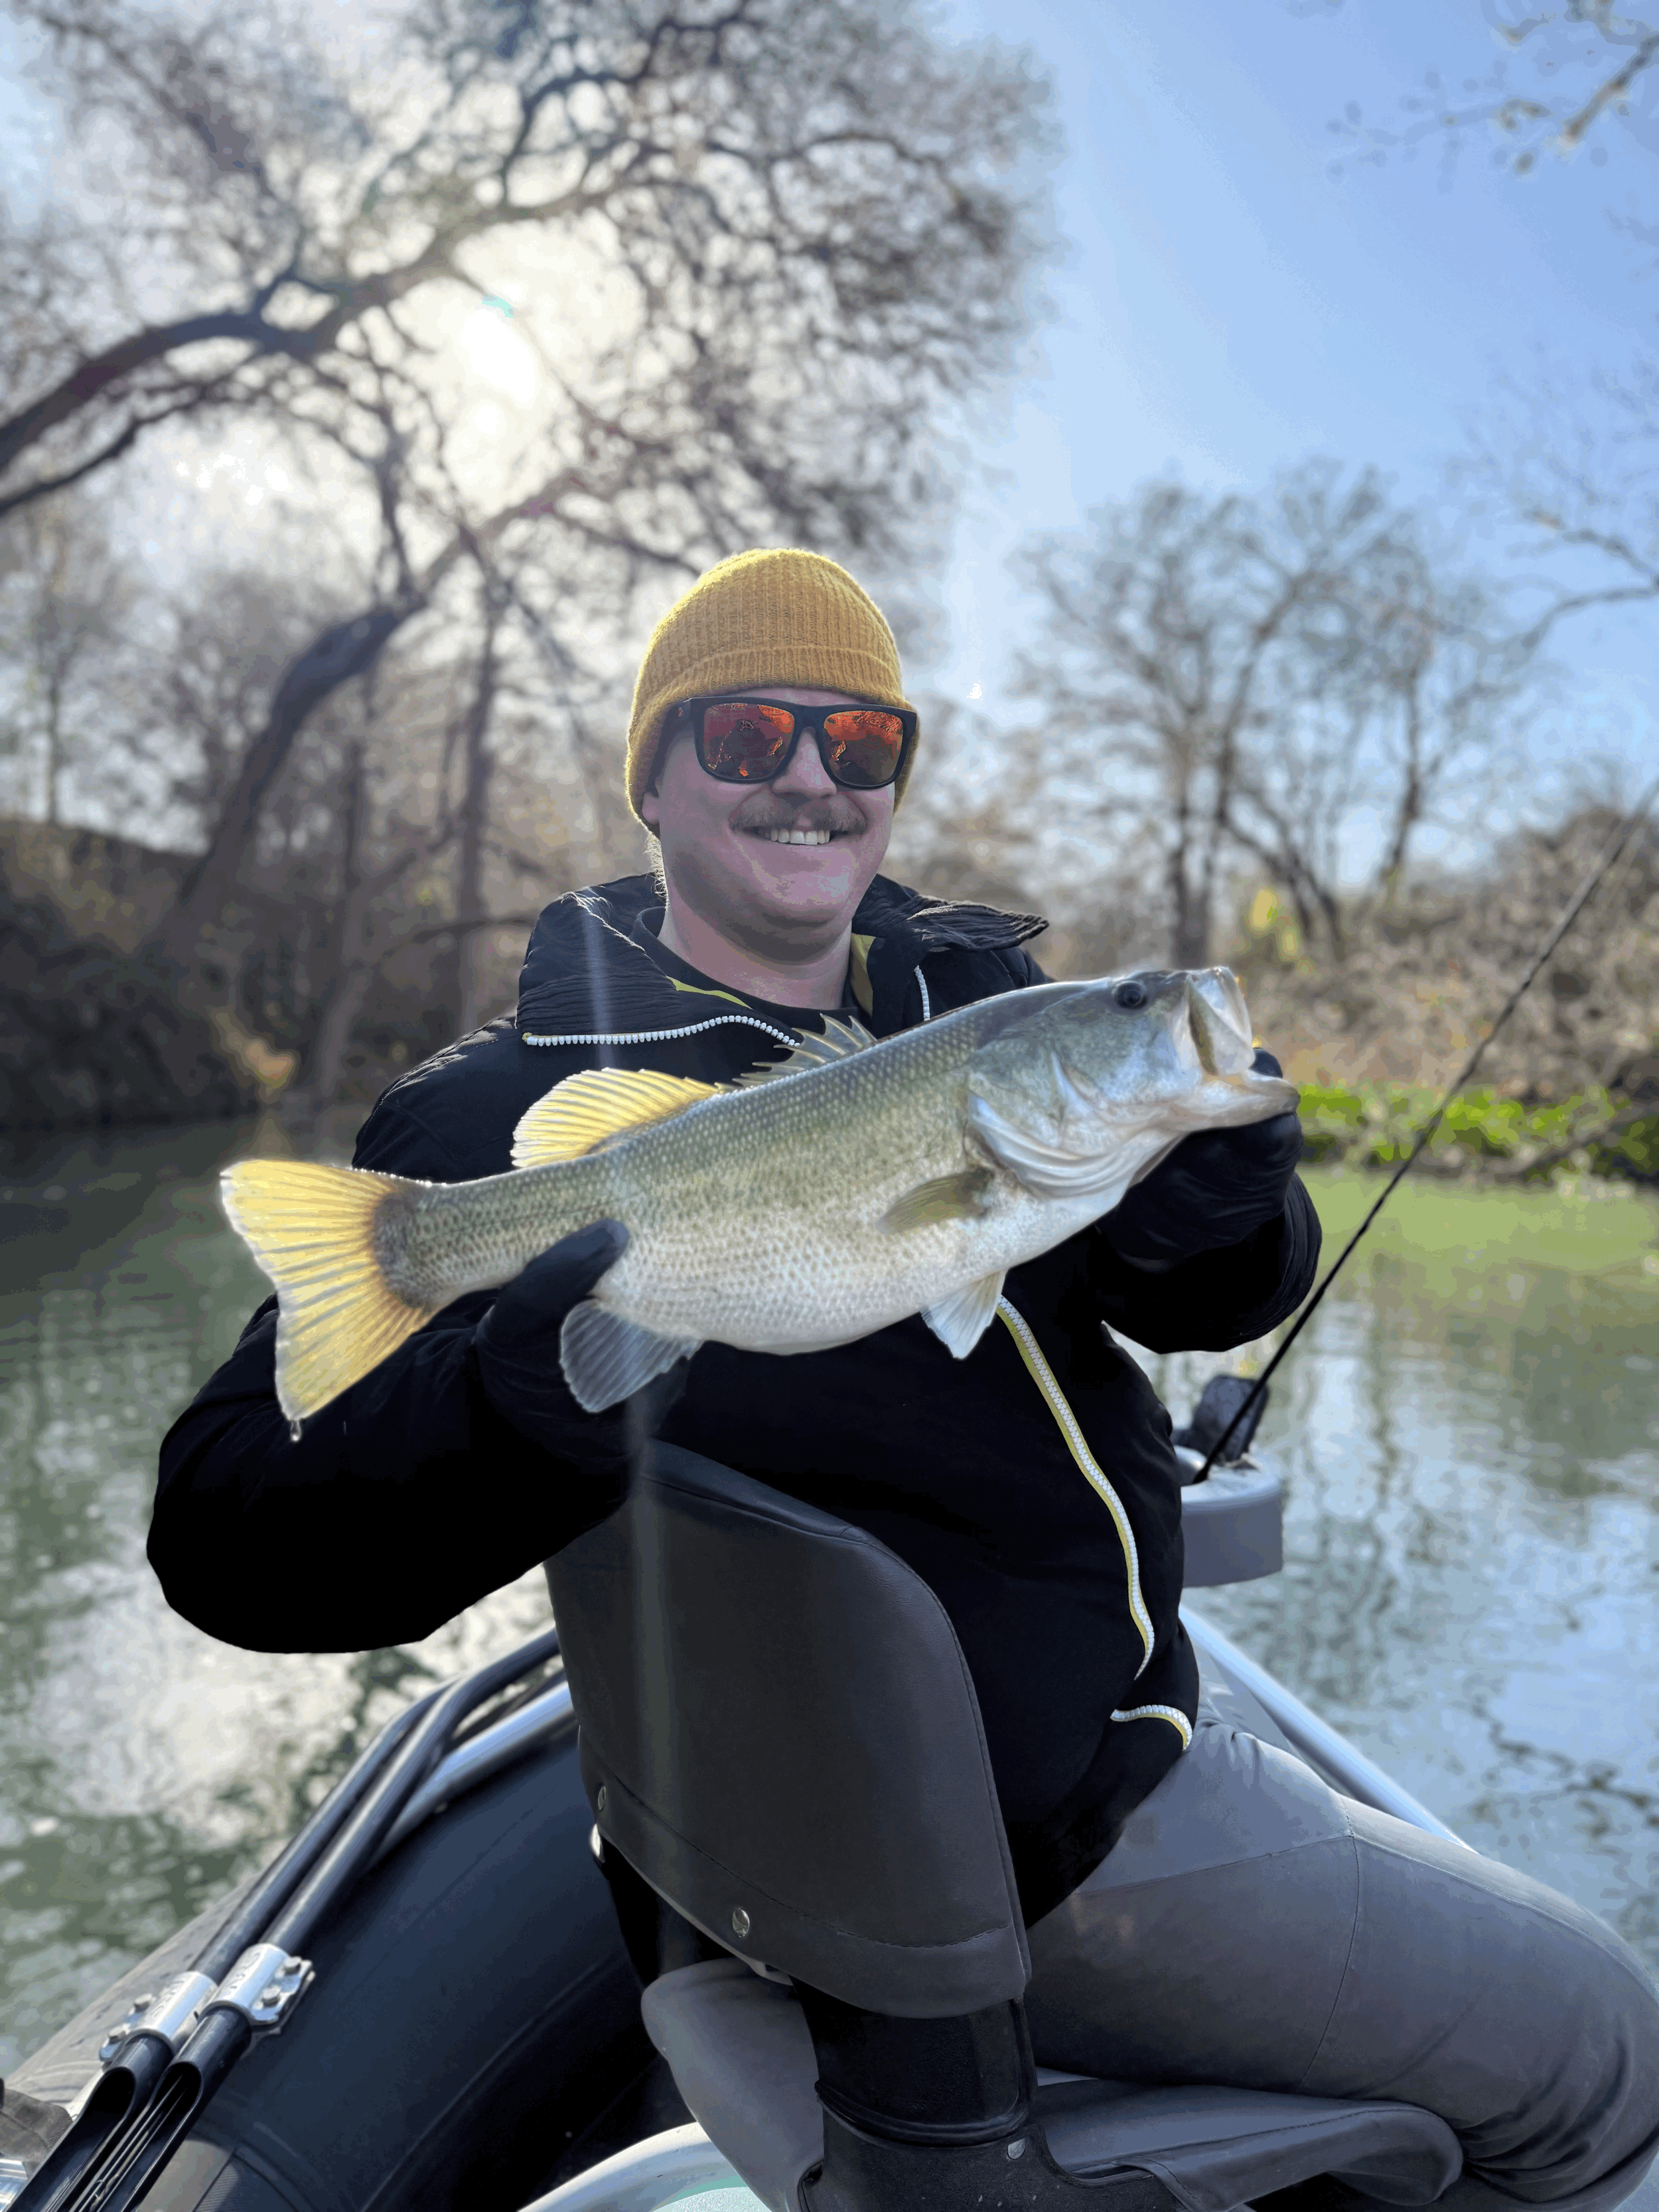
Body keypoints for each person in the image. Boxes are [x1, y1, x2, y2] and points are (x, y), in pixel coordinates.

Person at [151, 548, 1659, 2212]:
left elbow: (1188, 1288)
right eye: (746, 736)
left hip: (972, 1784)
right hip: (1047, 1852)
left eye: (860, 744)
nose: (810, 775)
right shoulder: (484, 1119)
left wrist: (1232, 1204)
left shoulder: (981, 1013)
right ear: (649, 776)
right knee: (1612, 2037)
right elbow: (224, 1530)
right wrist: (498, 1419)